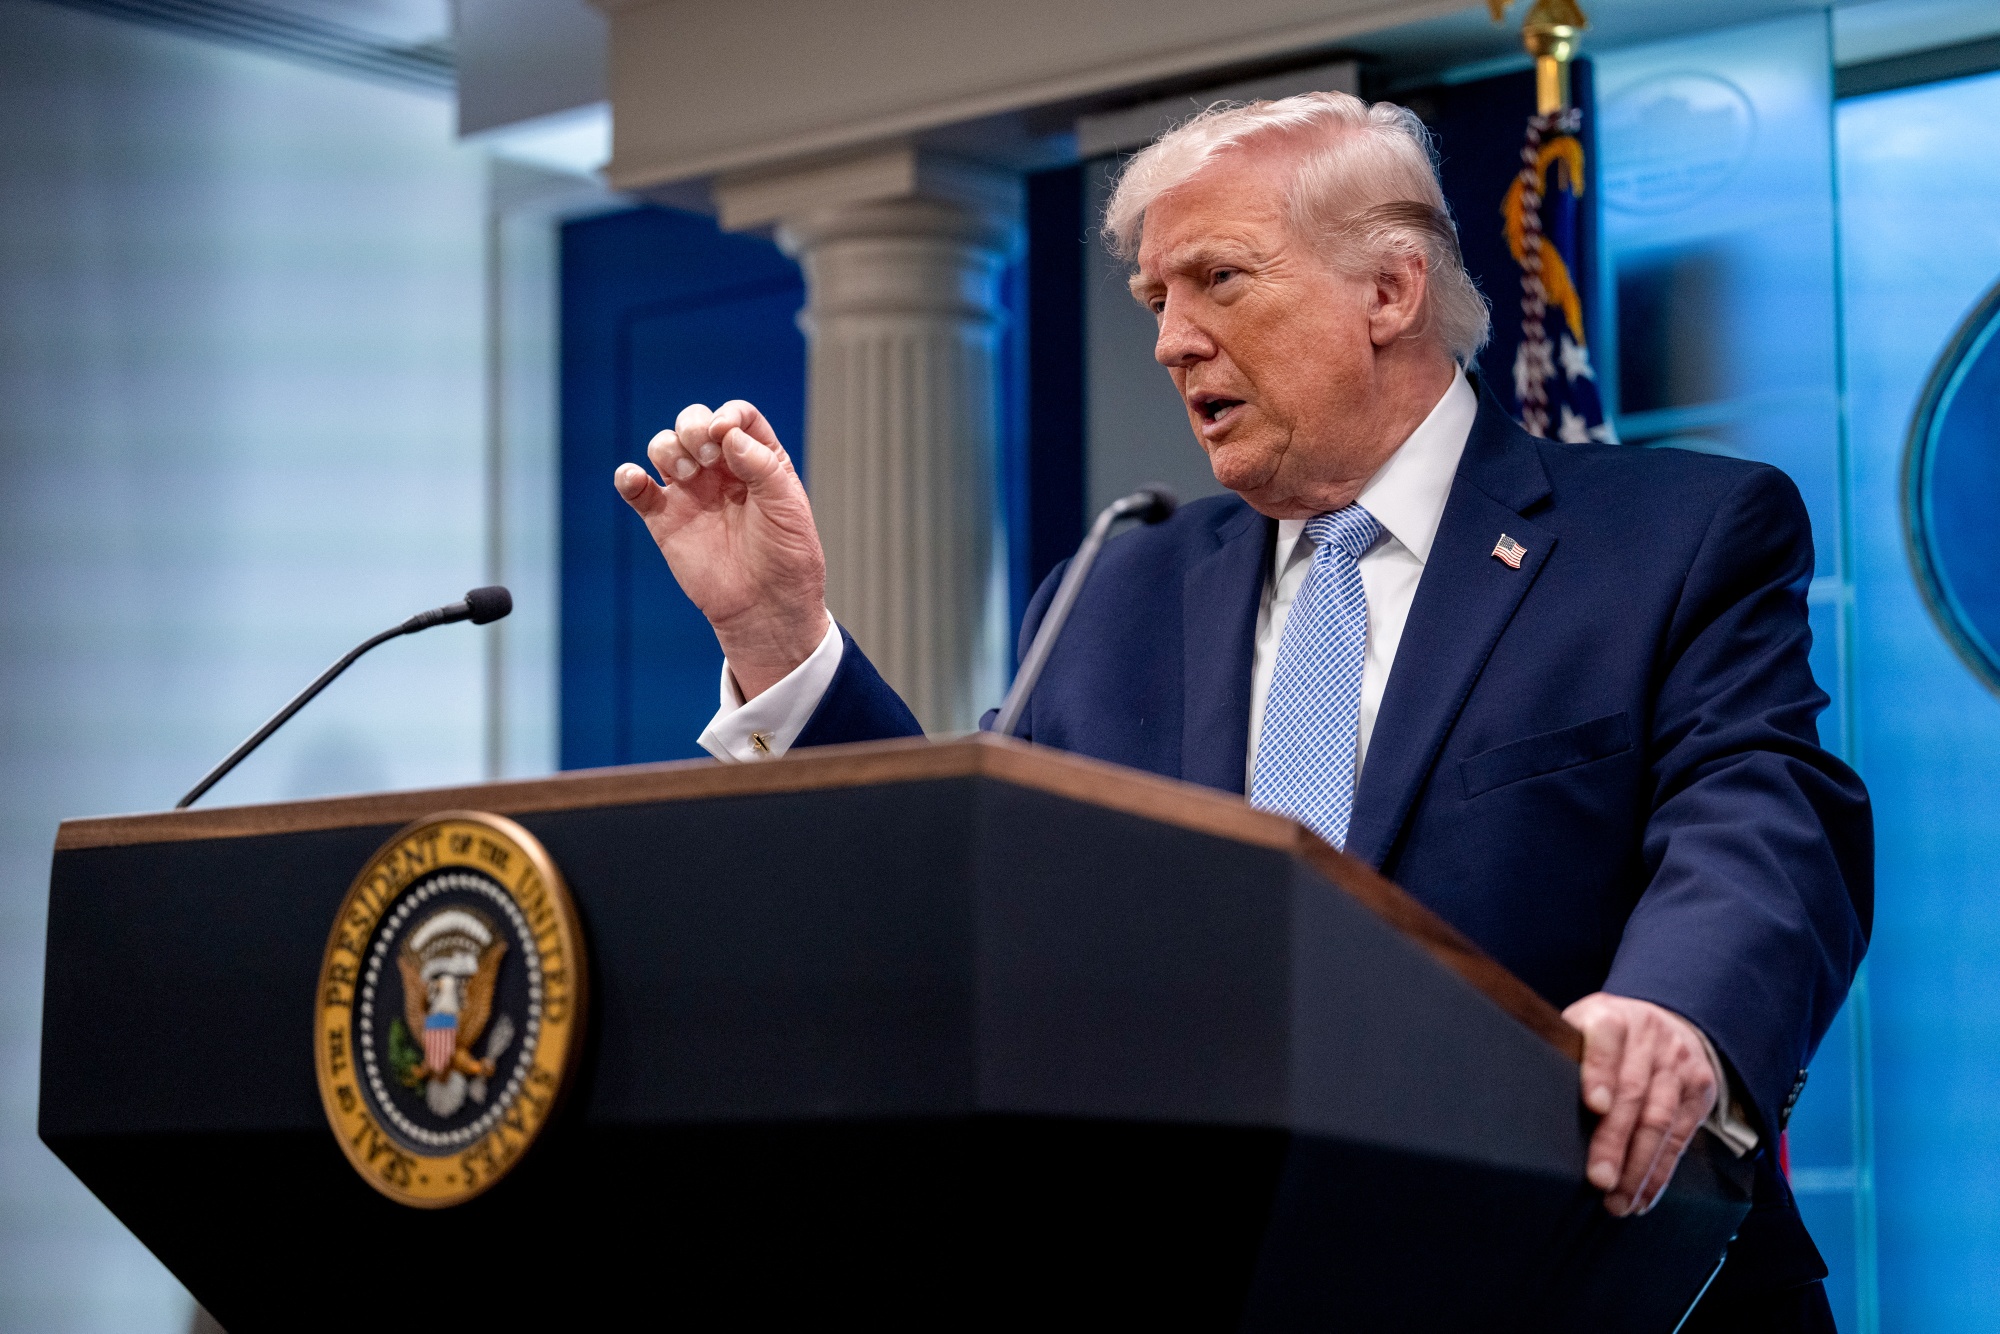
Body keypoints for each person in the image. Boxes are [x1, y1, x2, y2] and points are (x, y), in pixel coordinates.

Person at [611, 91, 1870, 1329]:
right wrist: (775, 637)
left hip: (1589, 1277)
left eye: (1216, 279)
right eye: (1156, 298)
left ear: (1388, 291)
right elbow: (973, 891)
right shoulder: (1115, 585)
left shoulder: (1671, 537)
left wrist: (1680, 1007)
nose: (1169, 339)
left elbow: (1760, 804)